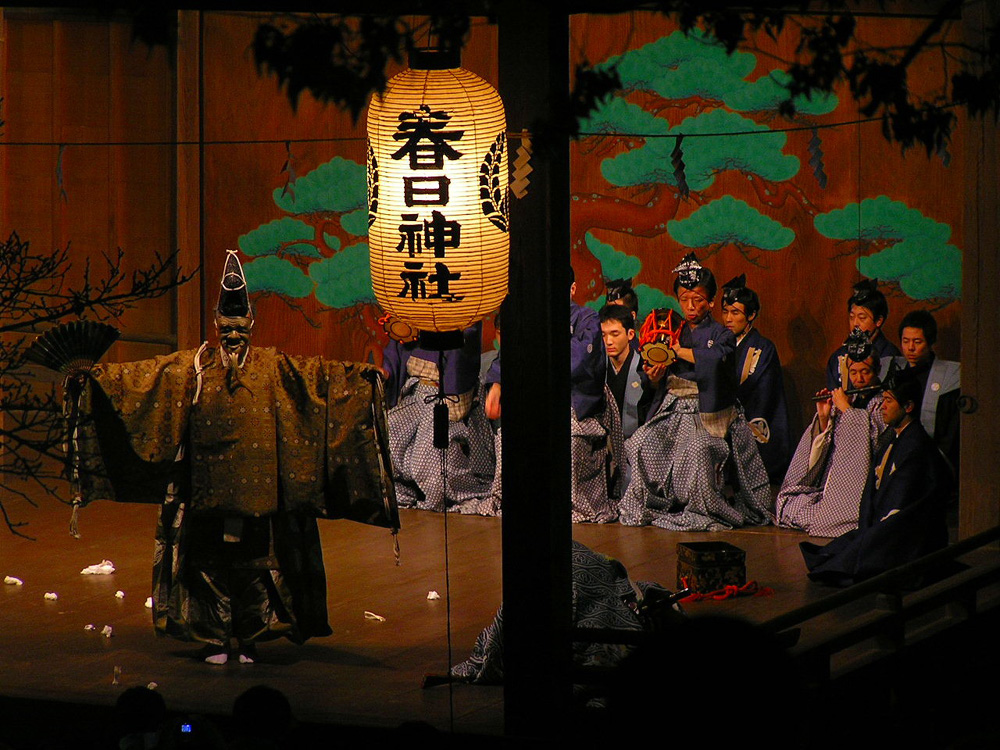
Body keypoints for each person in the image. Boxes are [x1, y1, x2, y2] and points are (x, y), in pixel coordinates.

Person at [72, 251, 399, 664]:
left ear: (252, 326)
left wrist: (359, 378)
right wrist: (95, 378)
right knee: (207, 567)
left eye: (239, 327)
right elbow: (140, 380)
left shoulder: (272, 366)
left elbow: (317, 380)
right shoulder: (192, 366)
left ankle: (247, 638)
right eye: (225, 327)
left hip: (259, 494)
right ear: (215, 325)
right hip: (205, 490)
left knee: (255, 568)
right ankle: (213, 638)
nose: (232, 334)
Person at [619, 254, 771, 530]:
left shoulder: (721, 334)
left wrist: (679, 351)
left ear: (711, 302)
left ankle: (703, 507)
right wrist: (655, 377)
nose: (690, 306)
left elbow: (715, 361)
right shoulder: (669, 326)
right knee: (641, 440)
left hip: (708, 412)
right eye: (684, 299)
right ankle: (654, 503)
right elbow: (651, 370)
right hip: (672, 407)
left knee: (699, 447)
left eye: (698, 300)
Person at [485, 270, 620, 522]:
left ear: (572, 289)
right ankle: (515, 498)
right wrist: (498, 385)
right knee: (508, 435)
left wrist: (537, 362)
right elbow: (509, 354)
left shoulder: (586, 317)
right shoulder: (531, 316)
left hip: (575, 403)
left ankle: (569, 504)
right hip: (536, 399)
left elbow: (578, 359)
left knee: (565, 438)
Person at [800, 367, 952, 586]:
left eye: (889, 401)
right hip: (884, 519)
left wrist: (875, 529)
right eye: (883, 400)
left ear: (908, 406)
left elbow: (900, 503)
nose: (882, 407)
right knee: (836, 551)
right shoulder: (896, 437)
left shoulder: (916, 446)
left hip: (906, 530)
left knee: (853, 560)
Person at [777, 329, 887, 537]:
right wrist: (824, 417)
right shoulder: (847, 399)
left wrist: (848, 412)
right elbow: (826, 444)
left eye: (865, 372)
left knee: (832, 518)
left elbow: (875, 442)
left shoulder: (882, 404)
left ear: (877, 370)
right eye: (853, 372)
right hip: (831, 479)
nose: (859, 378)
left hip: (864, 484)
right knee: (791, 504)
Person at [382, 323, 496, 513]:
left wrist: (454, 393)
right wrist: (387, 372)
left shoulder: (461, 312)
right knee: (390, 434)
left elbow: (464, 351)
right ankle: (404, 494)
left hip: (443, 394)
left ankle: (446, 494)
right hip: (416, 392)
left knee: (430, 453)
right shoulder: (412, 309)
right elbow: (395, 350)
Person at [720, 274, 792, 482]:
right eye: (725, 312)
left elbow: (765, 393)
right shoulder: (719, 344)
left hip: (752, 420)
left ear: (751, 315)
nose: (728, 319)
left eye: (735, 313)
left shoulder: (764, 348)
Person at [881, 309, 960, 474]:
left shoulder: (949, 377)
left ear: (930, 343)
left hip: (930, 457)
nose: (910, 348)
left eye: (917, 342)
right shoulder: (892, 369)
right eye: (905, 341)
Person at [826, 279, 901, 390]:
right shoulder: (839, 355)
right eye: (852, 317)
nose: (855, 323)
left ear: (878, 321)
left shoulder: (890, 356)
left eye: (862, 318)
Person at [600, 303, 645, 440]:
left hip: (636, 441)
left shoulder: (643, 367)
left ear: (630, 334)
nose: (608, 341)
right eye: (603, 335)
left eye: (615, 334)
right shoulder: (598, 366)